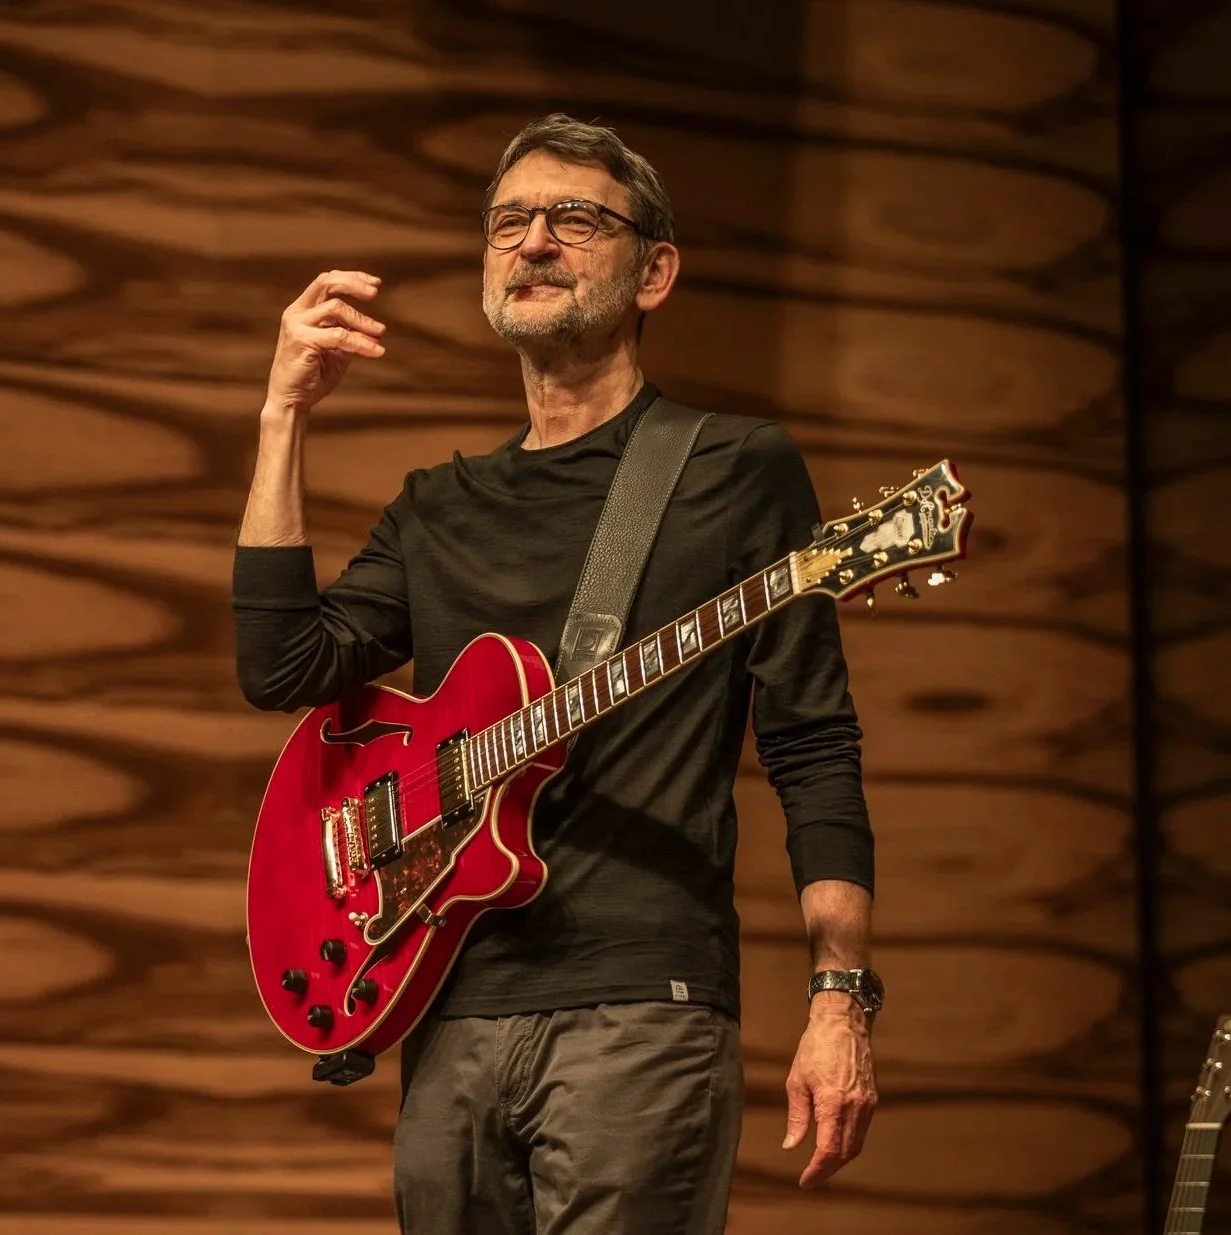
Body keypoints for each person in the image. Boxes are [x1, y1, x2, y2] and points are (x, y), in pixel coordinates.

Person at [233, 113, 879, 1235]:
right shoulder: (437, 506)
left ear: (653, 271)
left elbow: (811, 740)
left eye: (573, 218)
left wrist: (837, 995)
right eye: (507, 222)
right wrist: (281, 413)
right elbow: (279, 662)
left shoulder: (735, 469)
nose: (532, 240)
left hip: (643, 1003)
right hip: (447, 1002)